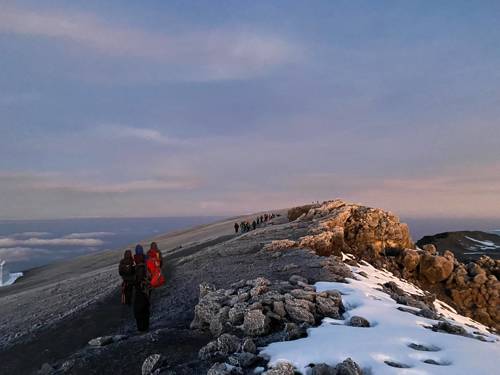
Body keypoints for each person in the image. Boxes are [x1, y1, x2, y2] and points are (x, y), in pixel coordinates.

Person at [133, 251, 151, 332]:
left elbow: (139, 280)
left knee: (139, 310)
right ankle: (145, 327)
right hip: (147, 290)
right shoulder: (146, 264)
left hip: (141, 290)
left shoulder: (140, 267)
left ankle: (142, 328)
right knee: (145, 309)